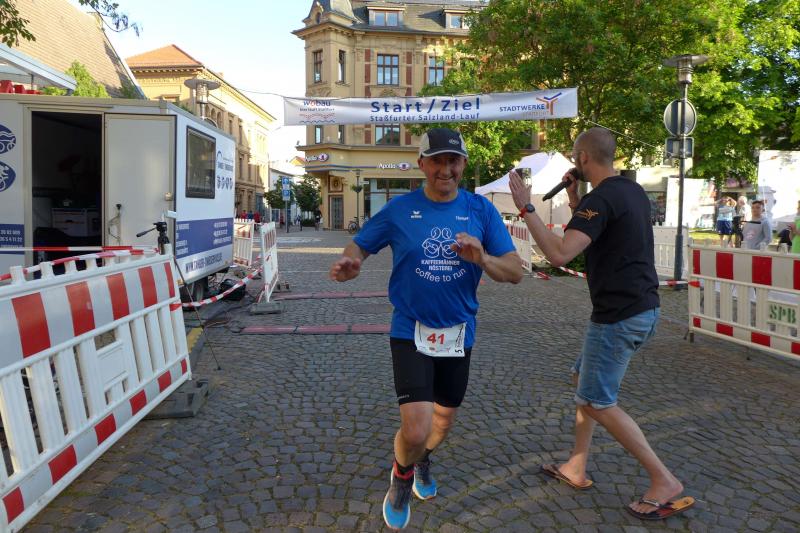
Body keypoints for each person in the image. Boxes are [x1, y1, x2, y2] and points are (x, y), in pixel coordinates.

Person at [329, 127, 523, 530]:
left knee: (442, 423)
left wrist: (483, 259)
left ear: (463, 164)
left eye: (453, 161)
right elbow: (360, 244)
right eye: (437, 161)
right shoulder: (400, 209)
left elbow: (515, 271)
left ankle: (422, 460)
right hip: (410, 329)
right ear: (421, 164)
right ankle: (402, 476)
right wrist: (351, 261)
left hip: (459, 332)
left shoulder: (480, 211)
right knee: (416, 429)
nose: (445, 169)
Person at [509, 127, 694, 521]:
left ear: (582, 158)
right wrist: (576, 198)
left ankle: (664, 480)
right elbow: (596, 232)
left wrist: (526, 208)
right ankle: (576, 465)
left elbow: (560, 254)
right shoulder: (631, 191)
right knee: (584, 382)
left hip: (618, 316)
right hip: (642, 308)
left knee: (597, 401)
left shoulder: (603, 198)